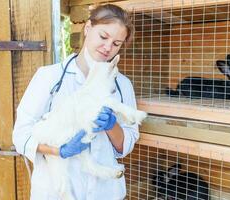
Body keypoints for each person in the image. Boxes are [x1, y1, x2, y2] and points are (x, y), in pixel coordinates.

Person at [12, 4, 139, 200]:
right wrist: (60, 151)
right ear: (88, 28)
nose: (108, 48)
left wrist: (112, 126)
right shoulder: (49, 77)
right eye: (103, 37)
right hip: (55, 192)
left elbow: (127, 144)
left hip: (105, 193)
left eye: (117, 44)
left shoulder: (122, 85)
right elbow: (21, 135)